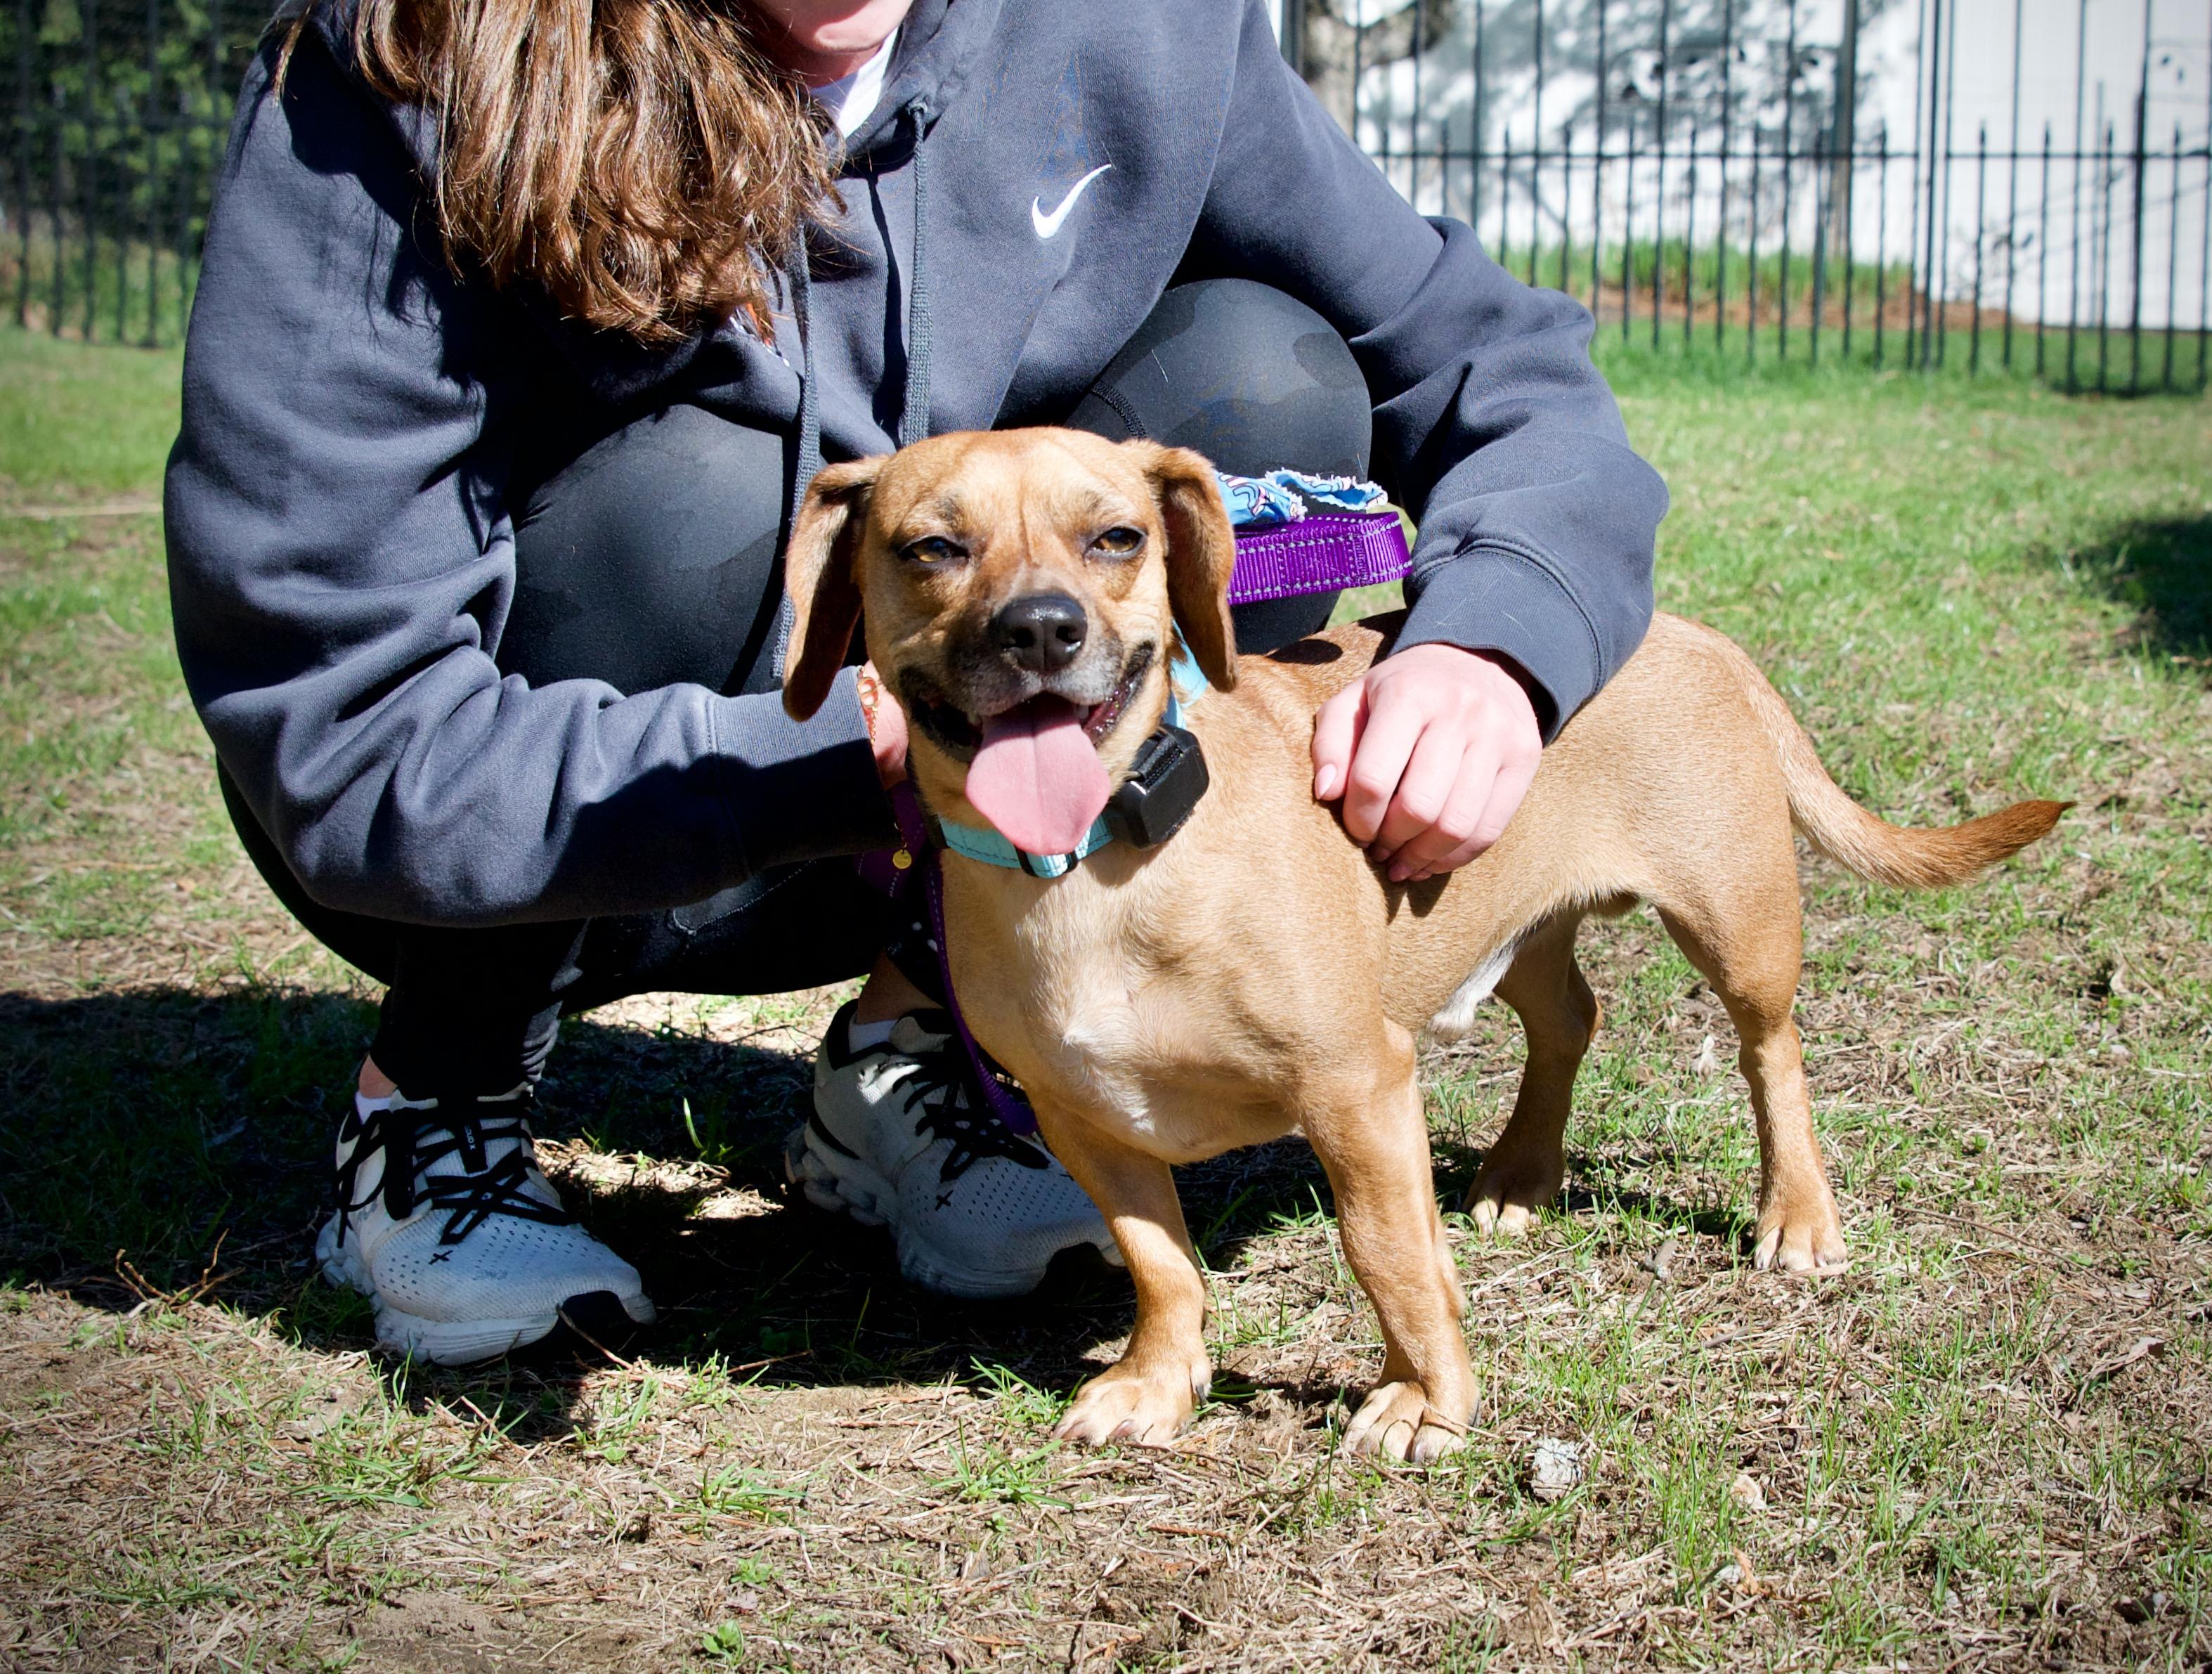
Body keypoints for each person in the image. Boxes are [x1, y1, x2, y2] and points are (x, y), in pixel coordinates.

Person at [163, 0, 1667, 1365]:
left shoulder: (1142, 28)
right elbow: (343, 720)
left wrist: (1496, 640)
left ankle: (921, 1049)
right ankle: (438, 1102)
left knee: (1267, 373)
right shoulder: (401, 70)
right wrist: (861, 760)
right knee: (704, 503)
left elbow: (1493, 361)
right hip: (589, 788)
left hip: (972, 772)